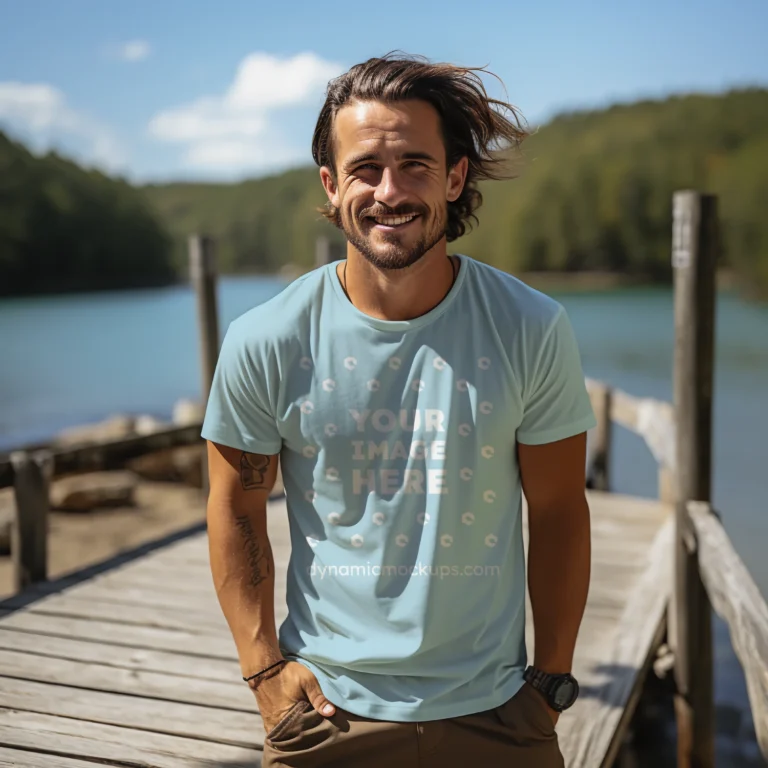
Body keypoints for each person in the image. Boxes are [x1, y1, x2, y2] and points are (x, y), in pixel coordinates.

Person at [202, 52, 596, 767]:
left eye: (416, 164)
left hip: (499, 712)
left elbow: (561, 508)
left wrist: (551, 682)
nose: (390, 191)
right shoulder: (267, 340)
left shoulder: (529, 328)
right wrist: (263, 672)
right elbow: (234, 504)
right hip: (325, 713)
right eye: (365, 169)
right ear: (331, 185)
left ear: (455, 176)